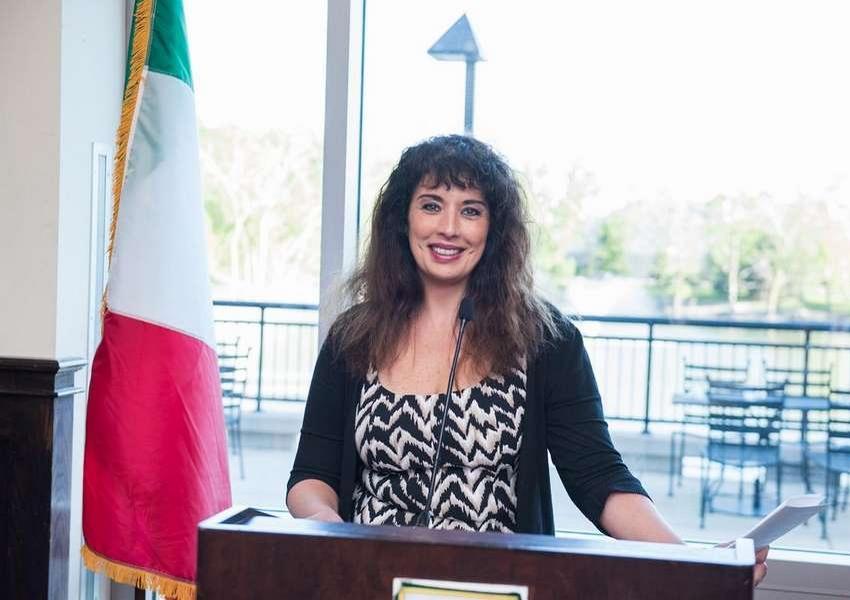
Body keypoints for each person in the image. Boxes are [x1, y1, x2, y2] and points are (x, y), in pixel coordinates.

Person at [287, 134, 767, 585]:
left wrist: (694, 562)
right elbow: (310, 477)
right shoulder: (353, 337)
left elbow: (598, 476)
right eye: (431, 205)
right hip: (370, 581)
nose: (449, 227)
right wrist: (331, 530)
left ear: (494, 230)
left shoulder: (547, 340)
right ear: (402, 219)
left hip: (501, 587)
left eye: (470, 211)